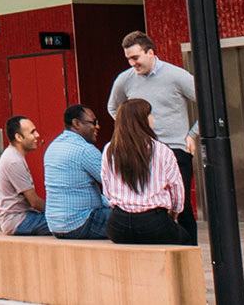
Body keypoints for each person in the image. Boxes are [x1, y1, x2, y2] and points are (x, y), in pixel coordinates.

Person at [107, 31, 198, 239]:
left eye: (135, 57)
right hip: (142, 150)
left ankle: (189, 251)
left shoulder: (177, 75)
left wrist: (192, 134)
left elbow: (208, 102)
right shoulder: (125, 79)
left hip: (174, 148)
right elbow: (114, 109)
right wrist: (131, 134)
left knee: (181, 206)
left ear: (150, 53)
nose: (132, 63)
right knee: (150, 206)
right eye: (128, 59)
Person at [102, 98, 194, 245]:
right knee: (186, 239)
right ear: (142, 119)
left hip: (118, 224)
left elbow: (107, 189)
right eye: (149, 114)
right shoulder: (162, 150)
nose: (152, 118)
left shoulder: (109, 149)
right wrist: (174, 214)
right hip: (154, 223)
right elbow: (177, 189)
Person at [43, 105, 110, 239]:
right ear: (76, 123)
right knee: (132, 219)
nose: (98, 127)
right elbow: (114, 185)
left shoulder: (52, 147)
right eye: (93, 122)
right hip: (81, 223)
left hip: (55, 225)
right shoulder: (84, 150)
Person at [0, 116, 47, 236]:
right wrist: (59, 211)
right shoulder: (14, 161)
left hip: (23, 218)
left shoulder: (14, 156)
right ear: (19, 137)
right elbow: (34, 202)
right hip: (18, 220)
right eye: (32, 132)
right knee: (65, 223)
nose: (37, 135)